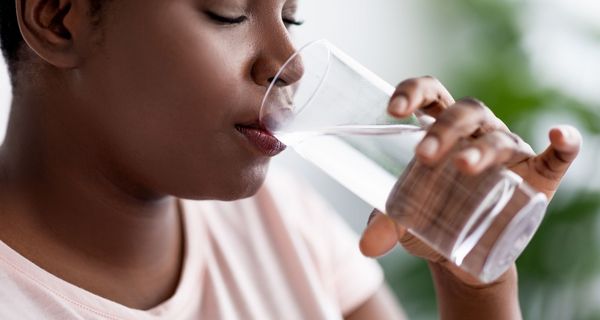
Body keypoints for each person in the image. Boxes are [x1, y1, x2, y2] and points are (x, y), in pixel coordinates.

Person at [0, 0, 582, 319]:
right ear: (57, 18)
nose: (290, 62)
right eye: (229, 12)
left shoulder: (283, 224)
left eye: (291, 16)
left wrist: (476, 288)